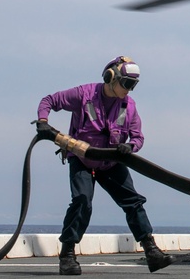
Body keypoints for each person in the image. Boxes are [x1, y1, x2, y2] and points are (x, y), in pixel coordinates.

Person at [35, 56, 173, 274]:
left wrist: (131, 147)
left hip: (111, 162)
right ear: (111, 78)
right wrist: (43, 122)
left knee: (133, 202)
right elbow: (49, 101)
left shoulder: (129, 107)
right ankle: (67, 256)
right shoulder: (83, 94)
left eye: (133, 85)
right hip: (81, 159)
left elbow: (138, 137)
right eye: (126, 83)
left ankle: (151, 251)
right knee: (82, 201)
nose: (129, 90)